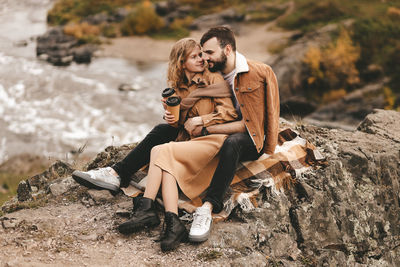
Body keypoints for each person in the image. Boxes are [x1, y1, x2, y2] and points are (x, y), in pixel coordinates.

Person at [72, 26, 280, 244]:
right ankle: (170, 220)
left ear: (227, 50)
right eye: (198, 55)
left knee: (162, 151)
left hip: (223, 137)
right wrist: (175, 117)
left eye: (206, 53)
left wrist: (204, 123)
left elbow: (247, 116)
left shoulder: (233, 76)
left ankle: (148, 205)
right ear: (182, 63)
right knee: (164, 141)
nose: (204, 59)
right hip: (200, 139)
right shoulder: (185, 87)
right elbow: (185, 122)